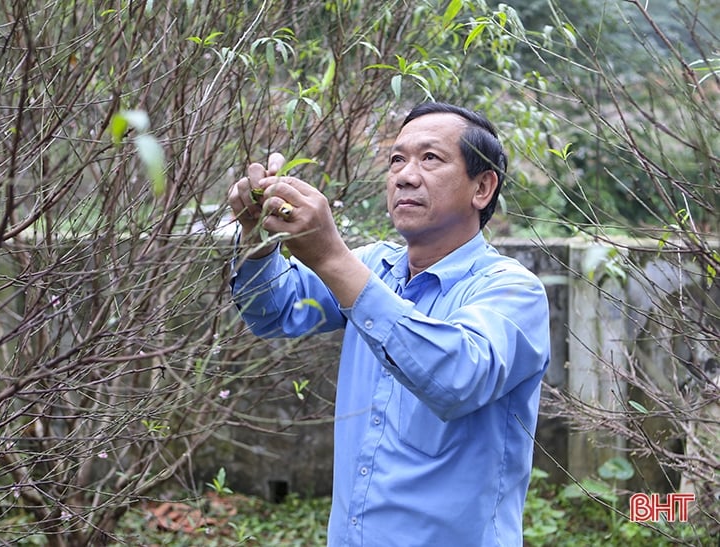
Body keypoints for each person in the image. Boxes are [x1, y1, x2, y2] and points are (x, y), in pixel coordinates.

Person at [227, 102, 551, 546]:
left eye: (430, 158)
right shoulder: (372, 266)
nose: (405, 175)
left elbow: (456, 377)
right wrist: (258, 238)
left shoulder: (513, 292)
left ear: (482, 187)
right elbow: (274, 311)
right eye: (397, 159)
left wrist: (332, 258)